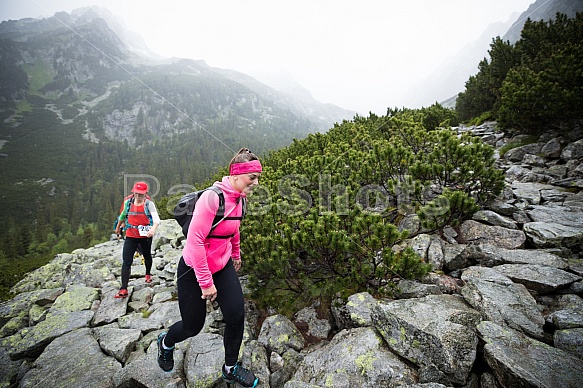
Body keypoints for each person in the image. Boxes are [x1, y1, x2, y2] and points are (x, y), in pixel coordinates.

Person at [157, 148, 261, 387]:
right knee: (193, 326)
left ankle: (230, 368)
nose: (256, 183)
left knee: (236, 314)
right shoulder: (213, 198)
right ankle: (166, 343)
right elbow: (195, 242)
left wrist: (235, 253)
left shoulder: (239, 199)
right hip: (193, 269)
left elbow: (233, 229)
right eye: (252, 177)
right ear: (236, 174)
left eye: (257, 178)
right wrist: (206, 283)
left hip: (222, 266)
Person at [114, 181, 160, 298]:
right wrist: (118, 228)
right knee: (126, 261)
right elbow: (123, 216)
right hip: (131, 235)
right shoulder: (128, 203)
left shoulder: (149, 204)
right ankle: (123, 288)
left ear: (145, 194)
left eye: (141, 194)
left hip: (145, 236)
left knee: (147, 255)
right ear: (133, 192)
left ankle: (148, 274)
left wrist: (153, 229)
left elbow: (156, 219)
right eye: (136, 193)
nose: (138, 196)